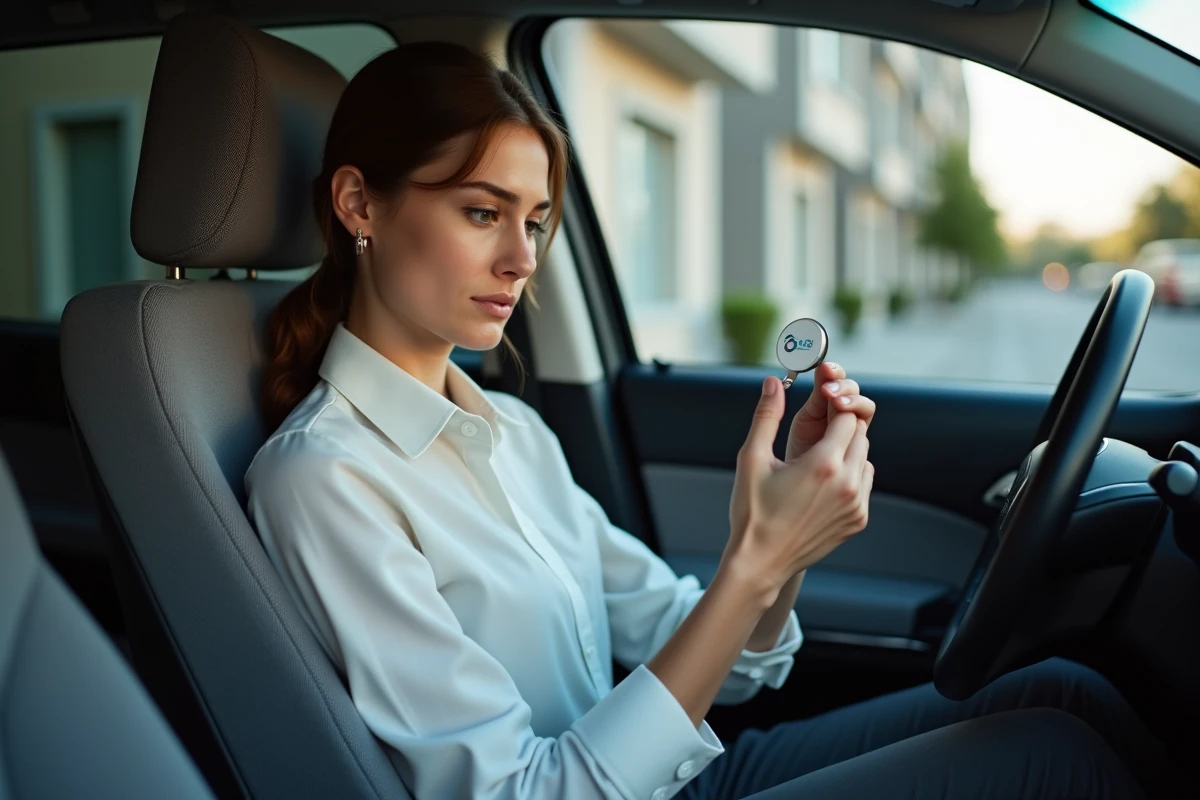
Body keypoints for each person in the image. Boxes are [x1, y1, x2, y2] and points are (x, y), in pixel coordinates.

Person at [244, 41, 1180, 800]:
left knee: (1064, 694)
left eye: (534, 222)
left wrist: (776, 542)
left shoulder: (512, 434)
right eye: (482, 211)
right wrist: (759, 557)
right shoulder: (325, 479)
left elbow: (724, 666)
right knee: (1061, 764)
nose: (521, 259)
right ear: (359, 203)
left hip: (669, 778)